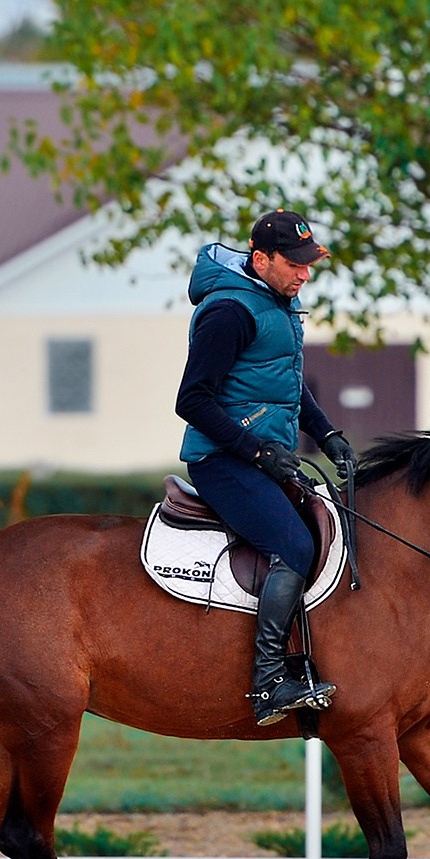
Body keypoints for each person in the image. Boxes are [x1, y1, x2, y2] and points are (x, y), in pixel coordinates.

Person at [175, 209, 358, 725]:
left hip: (261, 458)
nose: (305, 275)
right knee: (295, 546)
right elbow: (191, 400)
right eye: (296, 265)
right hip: (221, 461)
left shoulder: (277, 302)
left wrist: (327, 434)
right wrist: (257, 451)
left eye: (309, 264)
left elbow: (285, 385)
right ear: (261, 260)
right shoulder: (229, 312)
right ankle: (269, 683)